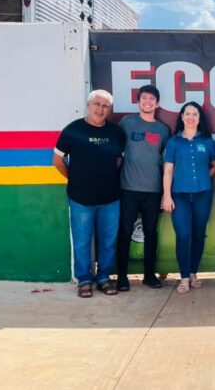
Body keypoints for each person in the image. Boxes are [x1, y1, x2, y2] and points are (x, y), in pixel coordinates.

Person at [52, 90, 126, 298]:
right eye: (97, 104)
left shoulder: (116, 133)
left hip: (110, 199)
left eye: (105, 106)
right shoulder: (72, 130)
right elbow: (57, 160)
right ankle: (84, 280)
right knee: (82, 241)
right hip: (80, 199)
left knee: (108, 241)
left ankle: (103, 278)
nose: (100, 109)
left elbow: (118, 160)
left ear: (109, 110)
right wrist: (75, 179)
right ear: (88, 105)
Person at [116, 84, 170, 292]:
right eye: (144, 98)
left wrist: (165, 192)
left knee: (151, 233)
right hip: (128, 188)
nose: (148, 102)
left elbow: (166, 163)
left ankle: (149, 275)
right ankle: (122, 277)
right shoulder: (127, 123)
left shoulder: (163, 130)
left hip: (153, 190)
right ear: (138, 102)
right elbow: (116, 151)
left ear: (157, 104)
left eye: (152, 99)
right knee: (125, 232)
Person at [161, 101, 215, 294]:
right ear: (182, 117)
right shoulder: (173, 142)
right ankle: (184, 277)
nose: (191, 117)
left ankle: (193, 273)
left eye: (195, 114)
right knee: (183, 235)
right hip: (179, 196)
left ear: (200, 118)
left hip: (203, 194)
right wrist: (166, 195)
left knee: (199, 234)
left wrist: (204, 177)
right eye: (187, 114)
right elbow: (168, 170)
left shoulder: (207, 141)